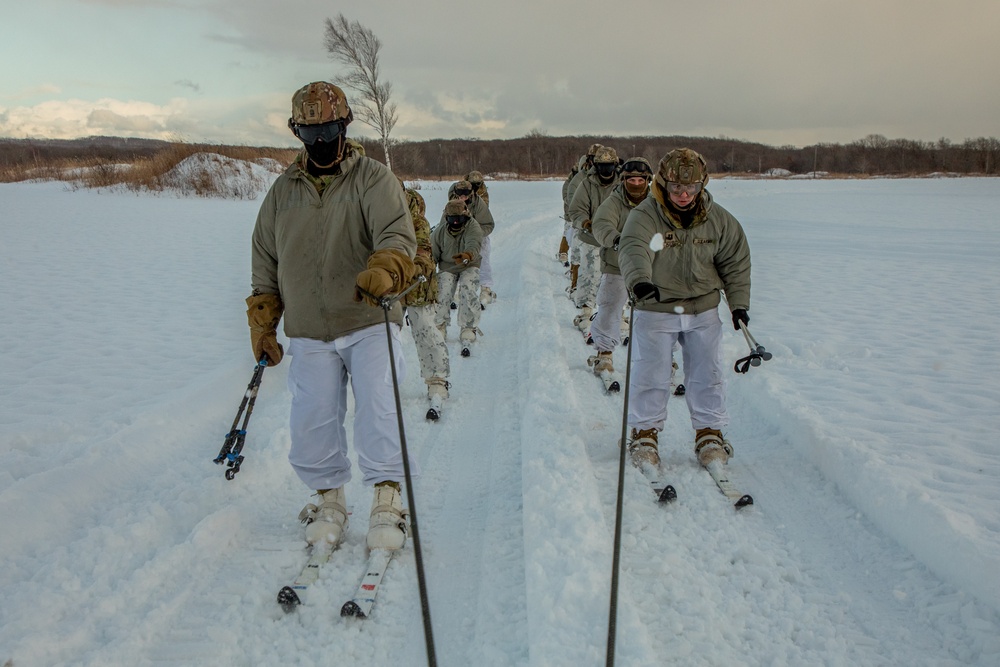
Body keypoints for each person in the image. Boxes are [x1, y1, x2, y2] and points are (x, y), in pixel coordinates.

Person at [247, 81, 417, 553]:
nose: (320, 141)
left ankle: (387, 497)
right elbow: (265, 258)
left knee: (379, 410)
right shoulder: (282, 193)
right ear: (296, 131)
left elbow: (397, 237)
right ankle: (329, 499)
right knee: (313, 418)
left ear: (344, 126)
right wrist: (263, 321)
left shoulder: (372, 179)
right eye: (309, 131)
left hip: (367, 320)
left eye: (327, 129)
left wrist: (385, 270)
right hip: (309, 328)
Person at [618, 148, 751, 469]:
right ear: (664, 184)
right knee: (652, 371)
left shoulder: (719, 220)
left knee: (708, 372)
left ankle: (709, 432)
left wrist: (739, 305)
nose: (683, 194)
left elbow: (734, 263)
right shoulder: (646, 215)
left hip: (702, 308)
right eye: (676, 188)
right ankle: (644, 432)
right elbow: (634, 247)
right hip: (656, 307)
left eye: (691, 188)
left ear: (702, 185)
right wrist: (639, 281)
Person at [589, 157, 654, 375]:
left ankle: (663, 356)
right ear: (624, 180)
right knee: (610, 305)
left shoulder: (656, 202)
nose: (636, 184)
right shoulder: (614, 201)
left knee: (658, 312)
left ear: (647, 180)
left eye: (640, 180)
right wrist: (617, 240)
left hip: (651, 266)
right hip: (617, 263)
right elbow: (601, 224)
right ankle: (604, 353)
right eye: (631, 180)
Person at [401, 183, 451, 415]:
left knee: (425, 330)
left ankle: (437, 380)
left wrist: (417, 267)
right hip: (383, 287)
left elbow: (423, 248)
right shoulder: (371, 213)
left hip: (414, 285)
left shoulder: (415, 220)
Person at [568, 145, 620, 335]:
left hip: (616, 239)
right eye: (601, 166)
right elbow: (575, 209)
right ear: (595, 166)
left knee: (617, 277)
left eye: (609, 166)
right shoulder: (586, 184)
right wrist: (586, 222)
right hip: (591, 237)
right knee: (590, 274)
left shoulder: (622, 184)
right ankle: (585, 311)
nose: (605, 170)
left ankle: (619, 314)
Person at [433, 198, 484, 354]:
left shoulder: (473, 226)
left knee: (468, 289)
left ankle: (468, 327)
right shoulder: (440, 232)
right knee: (443, 290)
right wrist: (428, 269)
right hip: (447, 265)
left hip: (469, 263)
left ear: (465, 216)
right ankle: (440, 324)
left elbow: (474, 243)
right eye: (452, 219)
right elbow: (433, 252)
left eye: (459, 219)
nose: (456, 223)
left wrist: (467, 254)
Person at [447, 178, 496, 307]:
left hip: (479, 233)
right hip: (457, 233)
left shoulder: (479, 204)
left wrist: (476, 234)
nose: (462, 197)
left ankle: (486, 289)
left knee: (483, 257)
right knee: (454, 257)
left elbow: (489, 224)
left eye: (465, 194)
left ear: (471, 193)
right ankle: (455, 290)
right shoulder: (452, 201)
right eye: (460, 194)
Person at [563, 144, 602, 296]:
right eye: (594, 159)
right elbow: (572, 202)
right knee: (579, 256)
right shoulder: (580, 179)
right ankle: (575, 286)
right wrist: (584, 220)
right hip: (584, 227)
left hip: (604, 228)